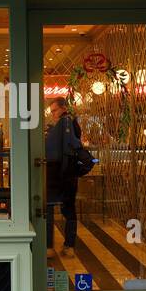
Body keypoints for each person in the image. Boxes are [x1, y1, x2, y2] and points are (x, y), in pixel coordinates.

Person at [44, 96, 83, 256]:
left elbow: (50, 150)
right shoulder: (74, 124)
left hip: (55, 173)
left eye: (54, 111)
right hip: (70, 174)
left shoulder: (62, 124)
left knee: (48, 209)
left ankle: (48, 247)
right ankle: (69, 246)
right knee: (69, 210)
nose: (52, 114)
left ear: (63, 108)